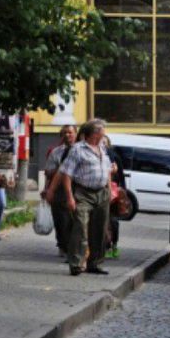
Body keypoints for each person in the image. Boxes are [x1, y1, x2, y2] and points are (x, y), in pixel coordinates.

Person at [57, 118, 116, 276]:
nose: (104, 133)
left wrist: (109, 190)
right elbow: (66, 174)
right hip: (83, 193)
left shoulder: (102, 147)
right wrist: (69, 197)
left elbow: (107, 170)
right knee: (80, 227)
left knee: (100, 229)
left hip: (102, 192)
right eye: (102, 130)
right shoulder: (78, 149)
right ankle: (76, 263)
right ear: (94, 133)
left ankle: (95, 263)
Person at [43, 124, 77, 256]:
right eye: (65, 133)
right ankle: (63, 245)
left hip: (76, 189)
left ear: (76, 134)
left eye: (70, 132)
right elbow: (48, 172)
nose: (67, 135)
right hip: (58, 190)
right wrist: (61, 169)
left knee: (74, 220)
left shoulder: (80, 150)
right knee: (61, 220)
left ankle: (73, 247)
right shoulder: (56, 152)